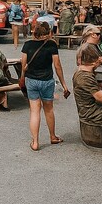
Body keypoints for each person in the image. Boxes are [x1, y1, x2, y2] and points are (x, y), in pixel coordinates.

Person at [21, 22, 70, 150]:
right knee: (48, 110)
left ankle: (35, 142)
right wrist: (64, 85)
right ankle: (52, 136)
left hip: (31, 80)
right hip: (47, 80)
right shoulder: (52, 45)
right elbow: (57, 65)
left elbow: (23, 65)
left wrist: (22, 78)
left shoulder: (27, 45)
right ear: (48, 32)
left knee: (34, 111)